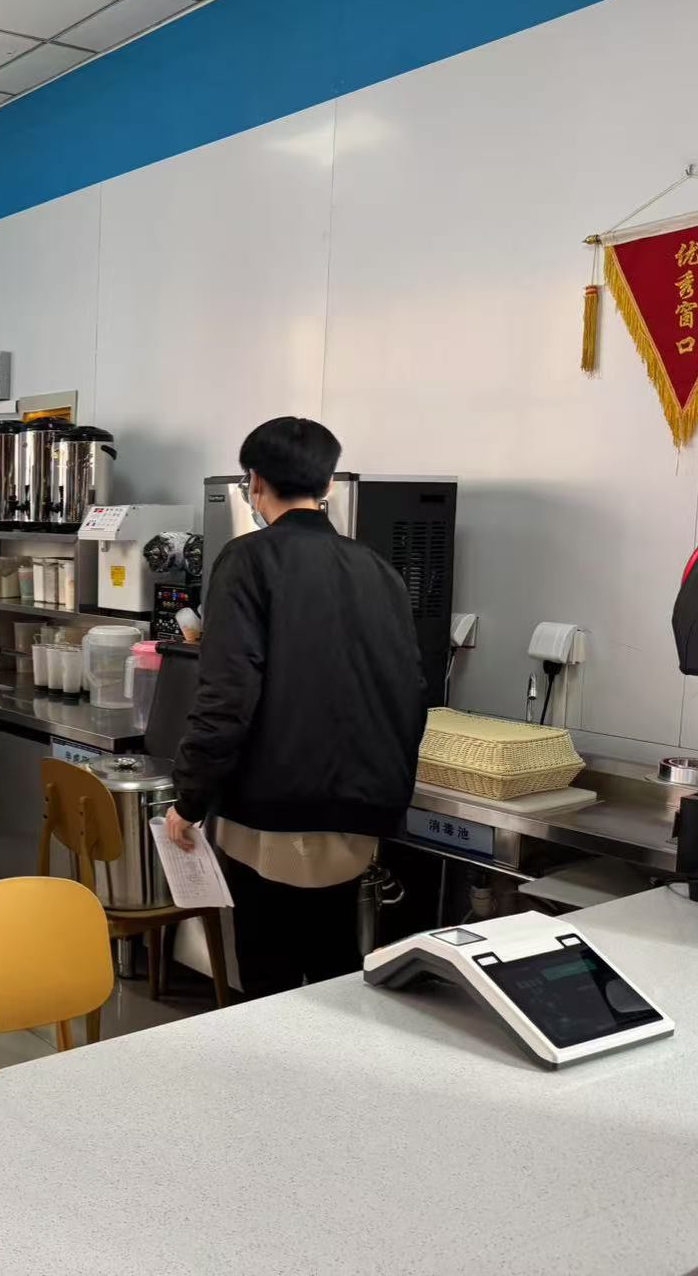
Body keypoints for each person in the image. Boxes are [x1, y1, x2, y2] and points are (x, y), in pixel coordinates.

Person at [165, 417, 427, 998]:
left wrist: (190, 797)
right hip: (359, 809)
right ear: (328, 483)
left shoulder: (247, 559)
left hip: (272, 809)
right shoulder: (379, 570)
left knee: (269, 973)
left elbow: (227, 695)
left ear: (255, 482)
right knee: (336, 966)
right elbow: (411, 689)